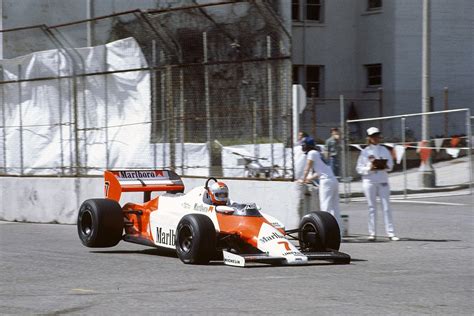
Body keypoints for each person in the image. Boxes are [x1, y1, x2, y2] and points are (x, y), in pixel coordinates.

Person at [356, 127, 399, 241]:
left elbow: (391, 165)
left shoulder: (384, 150)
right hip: (369, 181)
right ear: (369, 138)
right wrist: (369, 168)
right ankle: (372, 233)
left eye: (377, 135)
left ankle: (391, 233)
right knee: (371, 208)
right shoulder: (365, 152)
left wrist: (385, 166)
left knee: (386, 207)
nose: (376, 138)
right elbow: (359, 169)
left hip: (382, 179)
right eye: (373, 136)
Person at [298, 136, 342, 233]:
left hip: (326, 182)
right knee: (335, 208)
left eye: (304, 145)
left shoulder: (311, 153)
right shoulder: (318, 153)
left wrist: (303, 179)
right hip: (333, 180)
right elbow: (319, 172)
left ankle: (328, 232)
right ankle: (339, 232)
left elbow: (307, 168)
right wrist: (308, 179)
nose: (302, 147)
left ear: (307, 146)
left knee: (325, 208)